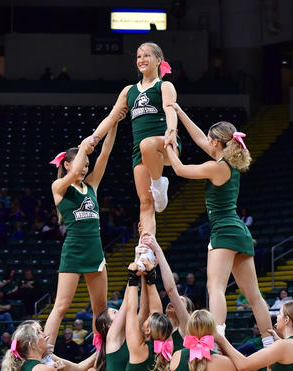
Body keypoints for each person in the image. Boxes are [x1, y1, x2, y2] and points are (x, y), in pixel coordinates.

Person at [164, 106, 275, 344]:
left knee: (215, 287)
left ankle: (216, 340)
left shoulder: (216, 167)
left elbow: (180, 169)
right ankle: (269, 340)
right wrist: (179, 112)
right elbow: (200, 138)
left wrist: (169, 147)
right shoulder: (227, 161)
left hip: (224, 230)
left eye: (210, 139)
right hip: (239, 231)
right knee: (254, 295)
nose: (206, 141)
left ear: (216, 142)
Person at [42, 120, 121, 355]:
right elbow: (76, 172)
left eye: (87, 165)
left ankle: (102, 354)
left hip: (95, 252)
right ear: (66, 165)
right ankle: (45, 353)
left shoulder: (92, 186)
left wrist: (114, 123)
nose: (85, 169)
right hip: (74, 251)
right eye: (81, 164)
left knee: (101, 308)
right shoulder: (59, 187)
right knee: (61, 306)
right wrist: (85, 147)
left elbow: (105, 154)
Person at [91, 42, 178, 236]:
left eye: (147, 55)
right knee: (145, 203)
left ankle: (159, 184)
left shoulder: (164, 86)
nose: (141, 60)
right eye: (139, 56)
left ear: (158, 60)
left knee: (147, 144)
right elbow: (111, 117)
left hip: (164, 145)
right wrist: (93, 138)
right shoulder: (128, 91)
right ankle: (146, 247)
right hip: (140, 152)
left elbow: (170, 109)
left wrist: (171, 130)